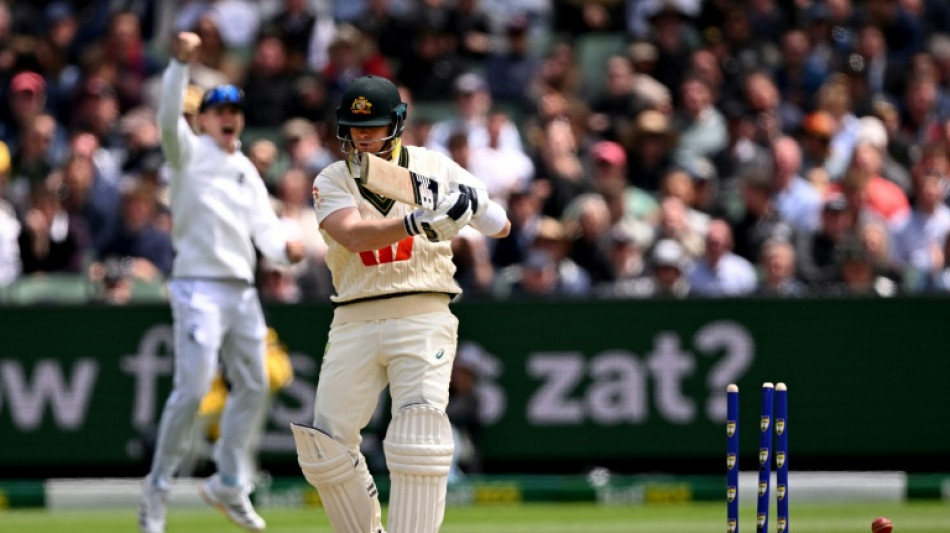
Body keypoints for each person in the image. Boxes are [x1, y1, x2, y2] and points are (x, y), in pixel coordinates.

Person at [289, 74, 510, 533]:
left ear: (398, 123)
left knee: (420, 436)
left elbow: (500, 225)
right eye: (354, 126)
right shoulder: (331, 178)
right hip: (355, 314)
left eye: (373, 126)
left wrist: (469, 204)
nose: (363, 136)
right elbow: (351, 233)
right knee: (324, 448)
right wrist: (415, 221)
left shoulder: (435, 166)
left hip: (422, 310)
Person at [138, 32, 306, 533]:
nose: (229, 114)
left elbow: (266, 230)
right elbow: (168, 117)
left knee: (255, 382)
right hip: (198, 288)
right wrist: (179, 65)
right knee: (191, 389)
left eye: (235, 108)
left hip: (242, 292)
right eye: (218, 108)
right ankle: (157, 489)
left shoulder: (245, 171)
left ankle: (229, 482)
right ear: (203, 119)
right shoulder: (185, 155)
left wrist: (287, 250)